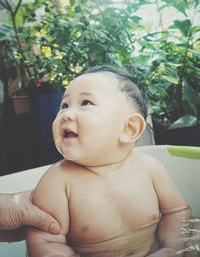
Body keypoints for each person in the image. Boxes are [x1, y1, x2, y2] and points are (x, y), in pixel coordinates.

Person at [26, 65, 191, 257]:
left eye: (85, 102)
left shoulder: (150, 169)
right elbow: (45, 242)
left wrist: (172, 248)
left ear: (129, 129)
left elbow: (178, 212)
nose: (66, 114)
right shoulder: (57, 181)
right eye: (64, 105)